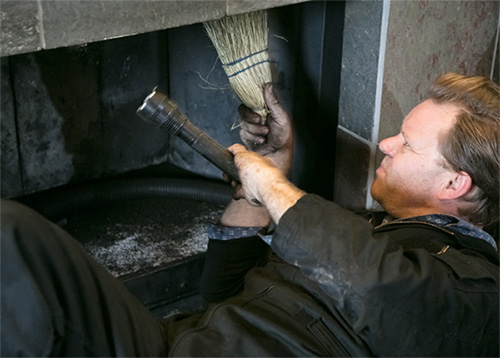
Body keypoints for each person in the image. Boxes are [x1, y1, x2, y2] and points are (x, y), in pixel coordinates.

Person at [1, 73, 498, 356]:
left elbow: (374, 288)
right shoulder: (370, 232)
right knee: (13, 234)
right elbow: (222, 291)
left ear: (455, 183)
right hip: (176, 343)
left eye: (407, 144)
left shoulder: (477, 287)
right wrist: (256, 190)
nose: (386, 144)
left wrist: (274, 185)